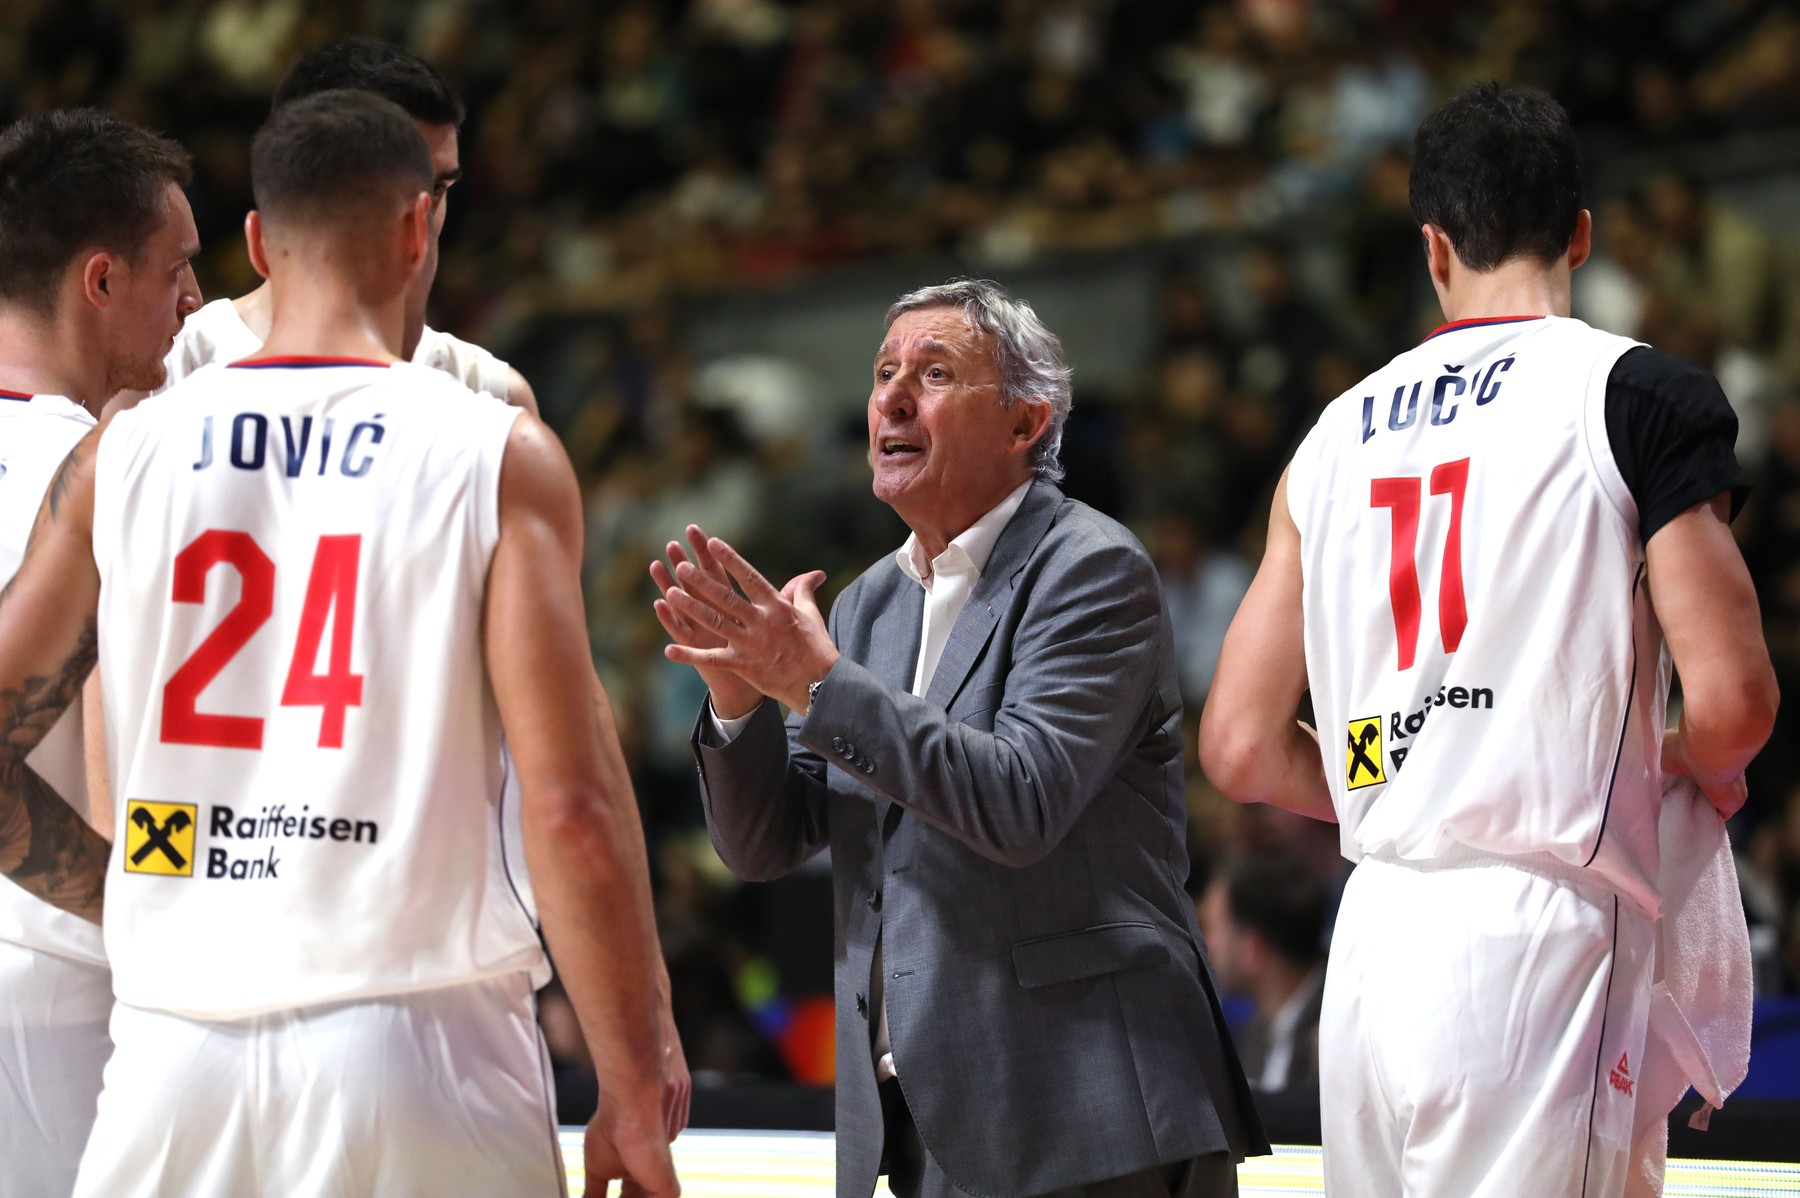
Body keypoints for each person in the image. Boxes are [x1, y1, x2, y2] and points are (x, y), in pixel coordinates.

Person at [0, 91, 677, 1197]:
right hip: (417, 1040)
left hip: (175, 1051)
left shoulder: (122, 450)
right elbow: (570, 805)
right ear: (418, 229)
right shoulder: (492, 447)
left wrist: (125, 884)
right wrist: (634, 1081)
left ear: (258, 242)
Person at [1200, 82, 1778, 1197]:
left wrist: (1412, 770)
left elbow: (1236, 745)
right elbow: (1736, 704)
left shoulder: (1329, 438)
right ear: (1580, 233)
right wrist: (1689, 771)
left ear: (1432, 249)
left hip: (1371, 934)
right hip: (1539, 927)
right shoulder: (1636, 392)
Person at [652, 278, 1266, 1198]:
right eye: (883, 372)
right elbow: (767, 844)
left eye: (934, 374)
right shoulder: (865, 606)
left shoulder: (1089, 569)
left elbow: (1023, 800)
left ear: (1026, 423)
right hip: (921, 1126)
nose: (892, 397)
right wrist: (740, 704)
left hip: (1086, 1109)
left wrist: (816, 684)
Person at [0, 108, 200, 1197]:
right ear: (98, 280)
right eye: (177, 269)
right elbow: (156, 759)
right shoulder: (119, 475)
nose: (196, 304)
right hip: (64, 986)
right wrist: (140, 904)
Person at [128, 35, 538, 414]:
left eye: (439, 188)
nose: (421, 219)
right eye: (389, 192)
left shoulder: (490, 395)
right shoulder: (166, 368)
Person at [1197, 856, 1326, 1094]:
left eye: (1212, 929)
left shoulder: (1333, 1033)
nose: (1204, 945)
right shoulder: (1252, 1035)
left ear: (1252, 950)